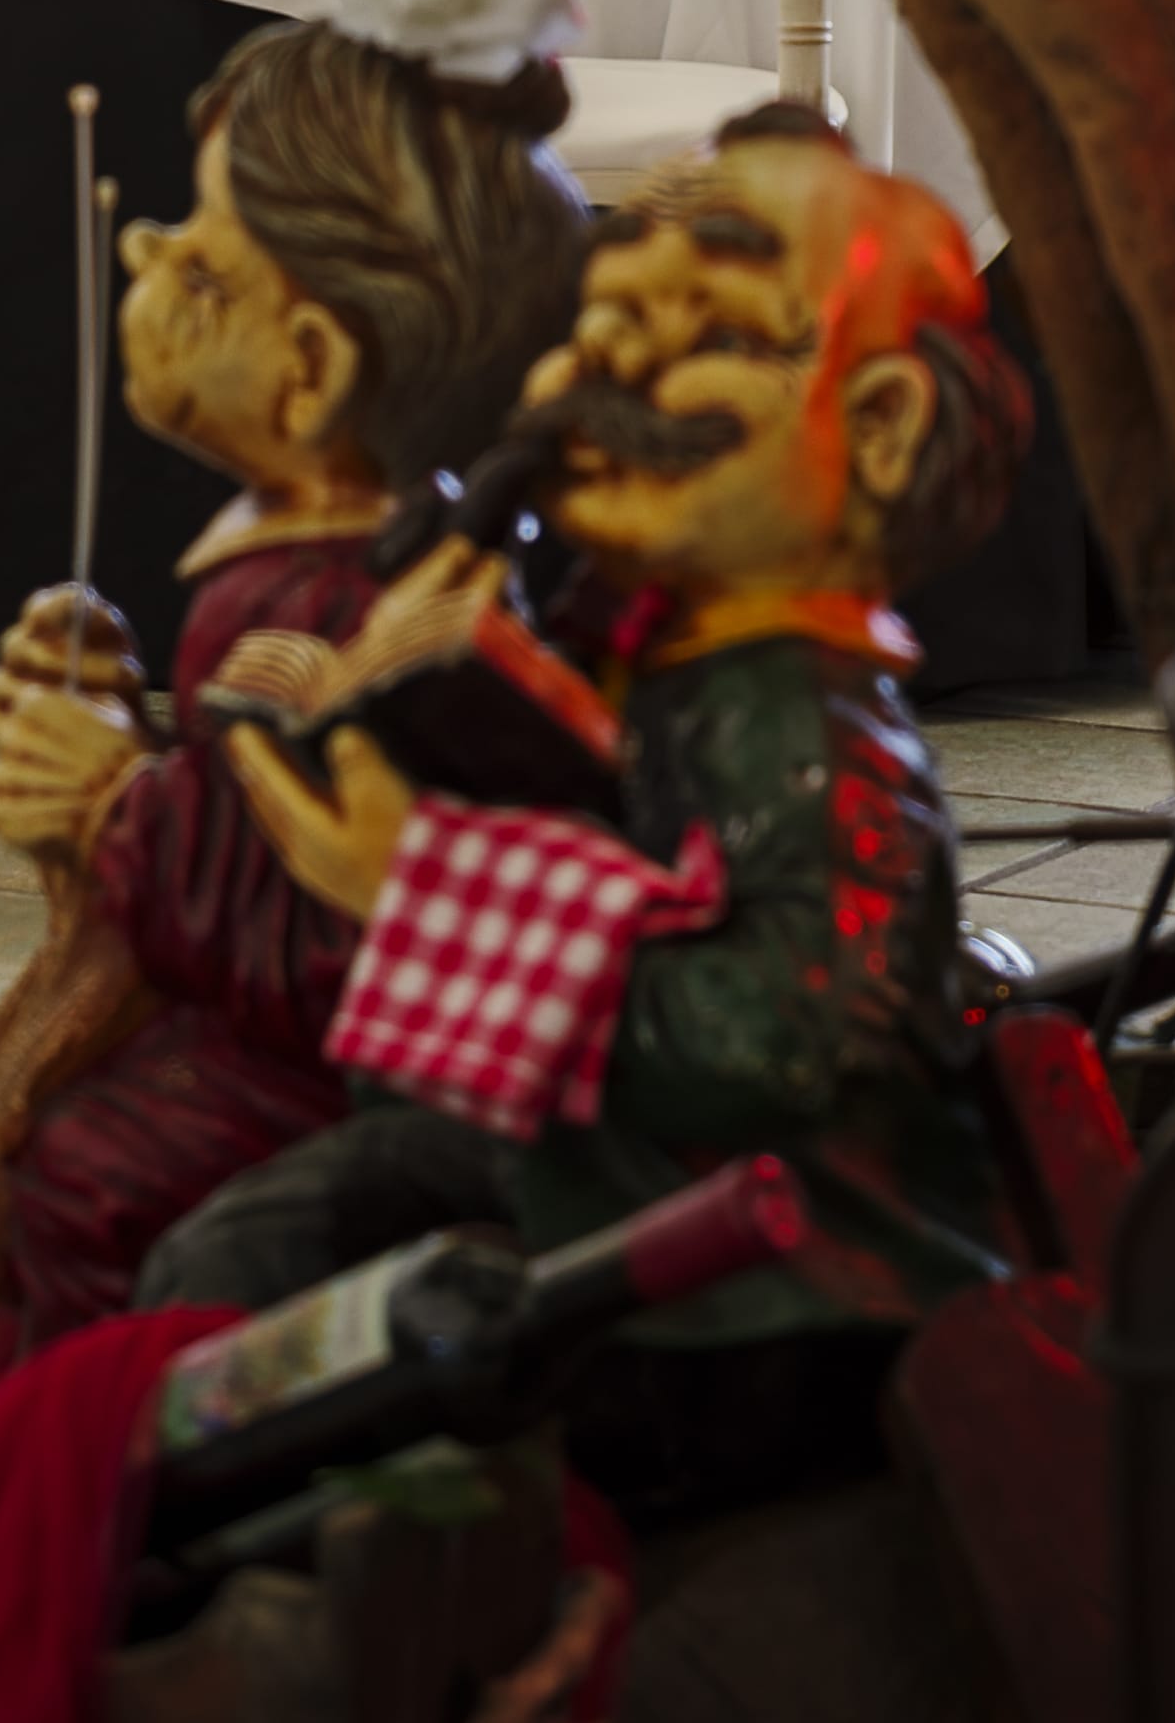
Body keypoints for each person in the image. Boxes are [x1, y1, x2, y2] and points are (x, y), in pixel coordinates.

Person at [166, 115, 1033, 1528]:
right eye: (612, 316)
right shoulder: (642, 648)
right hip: (609, 1181)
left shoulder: (807, 735)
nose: (614, 369)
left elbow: (789, 1034)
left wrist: (424, 900)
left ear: (878, 427)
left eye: (712, 329)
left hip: (751, 1300)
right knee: (248, 1233)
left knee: (311, 1338)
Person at [0, 0, 600, 1382]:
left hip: (341, 1081)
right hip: (289, 1037)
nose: (142, 256)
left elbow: (304, 925)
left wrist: (113, 805)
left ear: (307, 373)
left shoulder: (326, 612)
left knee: (89, 1174)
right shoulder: (301, 565)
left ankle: (111, 1454)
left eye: (198, 256)